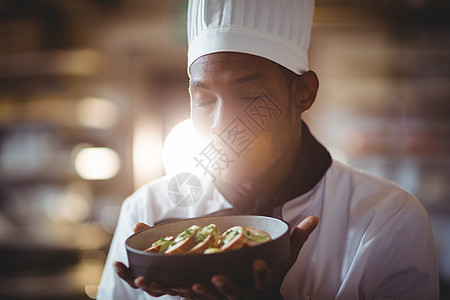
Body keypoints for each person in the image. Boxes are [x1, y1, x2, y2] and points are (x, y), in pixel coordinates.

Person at [97, 0, 440, 299]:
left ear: (303, 93)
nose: (220, 124)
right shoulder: (148, 212)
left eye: (249, 97)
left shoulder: (386, 219)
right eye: (202, 100)